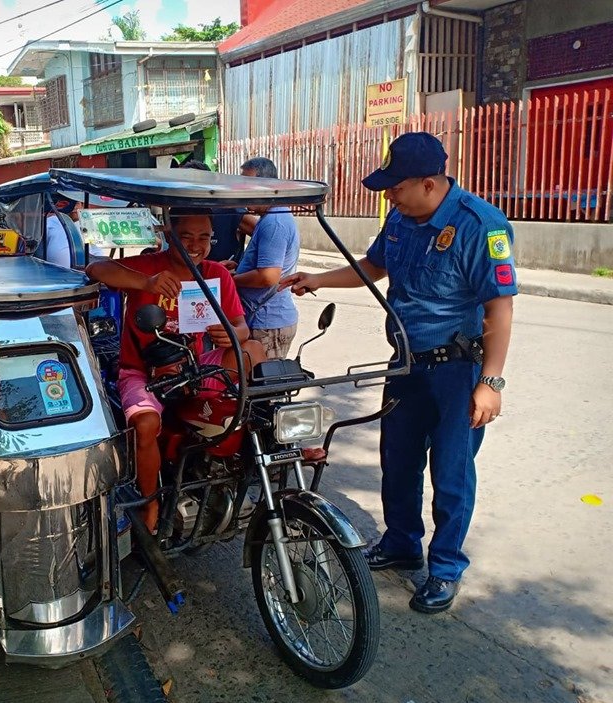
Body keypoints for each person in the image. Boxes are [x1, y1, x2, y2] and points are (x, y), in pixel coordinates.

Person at [281, 131, 517, 614]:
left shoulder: (480, 225)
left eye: (396, 186)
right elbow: (373, 265)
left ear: (429, 184)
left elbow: (500, 306)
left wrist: (491, 381)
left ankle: (445, 568)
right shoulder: (401, 217)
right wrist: (319, 280)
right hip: (406, 364)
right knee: (398, 459)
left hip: (458, 370)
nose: (388, 194)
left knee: (451, 472)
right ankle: (402, 542)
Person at [86, 210, 266, 531]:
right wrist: (147, 283)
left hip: (193, 369)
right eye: (187, 237)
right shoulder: (149, 265)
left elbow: (241, 328)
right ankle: (150, 501)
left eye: (204, 237)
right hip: (141, 371)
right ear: (170, 236)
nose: (196, 245)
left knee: (253, 350)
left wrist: (231, 334)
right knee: (145, 424)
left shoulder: (216, 275)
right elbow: (96, 268)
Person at [229, 157, 300, 359]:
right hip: (264, 319)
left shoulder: (274, 223)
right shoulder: (271, 217)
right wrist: (241, 268)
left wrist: (232, 280)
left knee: (263, 386)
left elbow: (268, 276)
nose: (244, 191)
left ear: (269, 186)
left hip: (268, 322)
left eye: (249, 185)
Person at [176, 160, 256, 264]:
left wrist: (242, 266)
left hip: (221, 277)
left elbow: (263, 234)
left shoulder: (229, 210)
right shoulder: (178, 213)